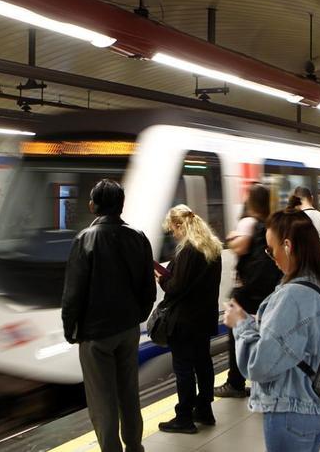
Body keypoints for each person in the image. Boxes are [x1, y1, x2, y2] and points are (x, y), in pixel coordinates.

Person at [223, 205, 320, 452]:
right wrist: (264, 321)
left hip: (294, 409)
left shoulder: (292, 296)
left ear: (287, 246)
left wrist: (240, 324)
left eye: (270, 248)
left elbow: (259, 365)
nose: (270, 255)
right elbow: (305, 334)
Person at [62, 179, 155, 452]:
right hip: (128, 330)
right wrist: (137, 315)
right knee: (129, 391)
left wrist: (71, 328)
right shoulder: (138, 237)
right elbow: (148, 288)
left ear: (94, 206)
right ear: (121, 205)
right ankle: (135, 446)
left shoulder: (85, 239)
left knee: (102, 399)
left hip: (95, 334)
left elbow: (73, 292)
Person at [156, 205, 222, 434]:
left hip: (184, 321)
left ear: (179, 225)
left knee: (184, 368)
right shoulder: (212, 247)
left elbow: (175, 287)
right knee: (203, 364)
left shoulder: (188, 250)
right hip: (204, 319)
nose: (173, 234)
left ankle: (184, 417)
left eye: (173, 230)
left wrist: (161, 279)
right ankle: (204, 409)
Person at [215, 183, 282, 398]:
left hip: (248, 290)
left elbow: (240, 247)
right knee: (265, 333)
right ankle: (265, 380)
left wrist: (231, 237)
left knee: (236, 331)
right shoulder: (271, 222)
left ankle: (235, 382)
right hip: (268, 289)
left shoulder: (248, 221)